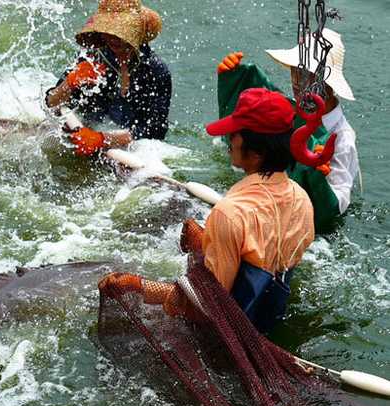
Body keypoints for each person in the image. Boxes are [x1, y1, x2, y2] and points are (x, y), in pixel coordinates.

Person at [98, 88, 315, 334]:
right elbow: (263, 259)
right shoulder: (302, 199)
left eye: (235, 134)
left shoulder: (229, 213)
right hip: (270, 316)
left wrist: (140, 287)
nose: (229, 140)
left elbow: (210, 305)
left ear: (256, 152)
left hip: (228, 334)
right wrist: (206, 243)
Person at [215, 28, 358, 233]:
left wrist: (319, 181)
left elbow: (337, 206)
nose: (298, 83)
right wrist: (232, 80)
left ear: (326, 82)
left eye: (307, 75)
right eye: (295, 72)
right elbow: (238, 142)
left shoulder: (342, 139)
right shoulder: (288, 111)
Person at [45, 0, 172, 156]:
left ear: (136, 33)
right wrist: (70, 82)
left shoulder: (156, 71)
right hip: (83, 129)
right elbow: (51, 105)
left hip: (131, 145)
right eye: (108, 30)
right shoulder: (90, 57)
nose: (113, 37)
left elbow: (155, 130)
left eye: (121, 31)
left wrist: (101, 139)